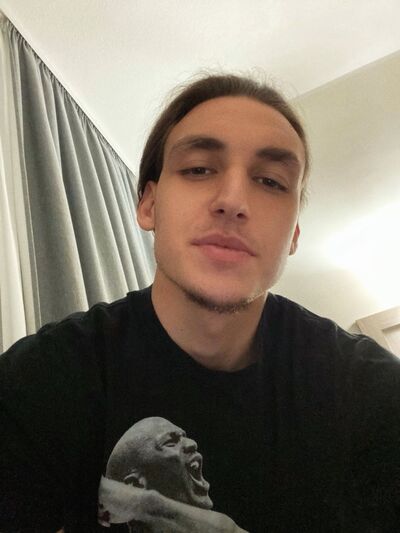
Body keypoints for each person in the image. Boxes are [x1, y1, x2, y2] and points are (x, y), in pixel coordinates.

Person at [1, 72, 399, 533]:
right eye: (198, 169)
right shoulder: (43, 380)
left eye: (271, 181)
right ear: (149, 205)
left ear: (292, 235)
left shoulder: (370, 392)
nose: (232, 200)